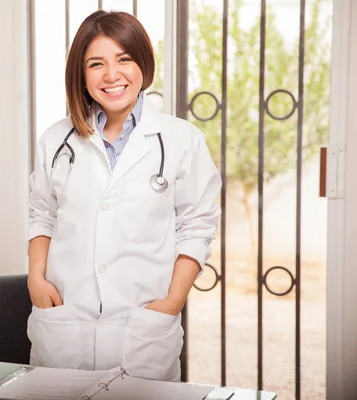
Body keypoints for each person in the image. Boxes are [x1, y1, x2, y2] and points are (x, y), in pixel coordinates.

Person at [26, 9, 222, 382]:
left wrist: (171, 303)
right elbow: (42, 215)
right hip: (65, 325)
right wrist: (36, 277)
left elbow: (197, 227)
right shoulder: (55, 140)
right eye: (96, 63)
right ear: (81, 76)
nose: (112, 75)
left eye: (124, 59)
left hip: (144, 331)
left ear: (142, 64)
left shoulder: (181, 141)